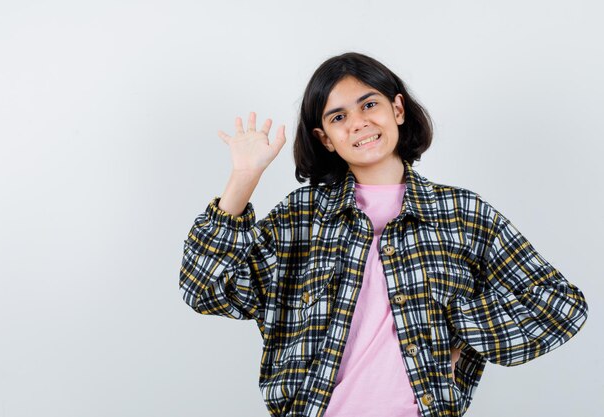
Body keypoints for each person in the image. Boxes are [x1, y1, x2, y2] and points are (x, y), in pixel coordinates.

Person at [179, 52, 588, 417]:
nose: (358, 123)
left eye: (369, 104)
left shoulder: (462, 213)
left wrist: (461, 325)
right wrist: (244, 177)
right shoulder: (300, 216)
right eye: (338, 117)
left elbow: (559, 305)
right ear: (325, 138)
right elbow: (206, 290)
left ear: (397, 109)